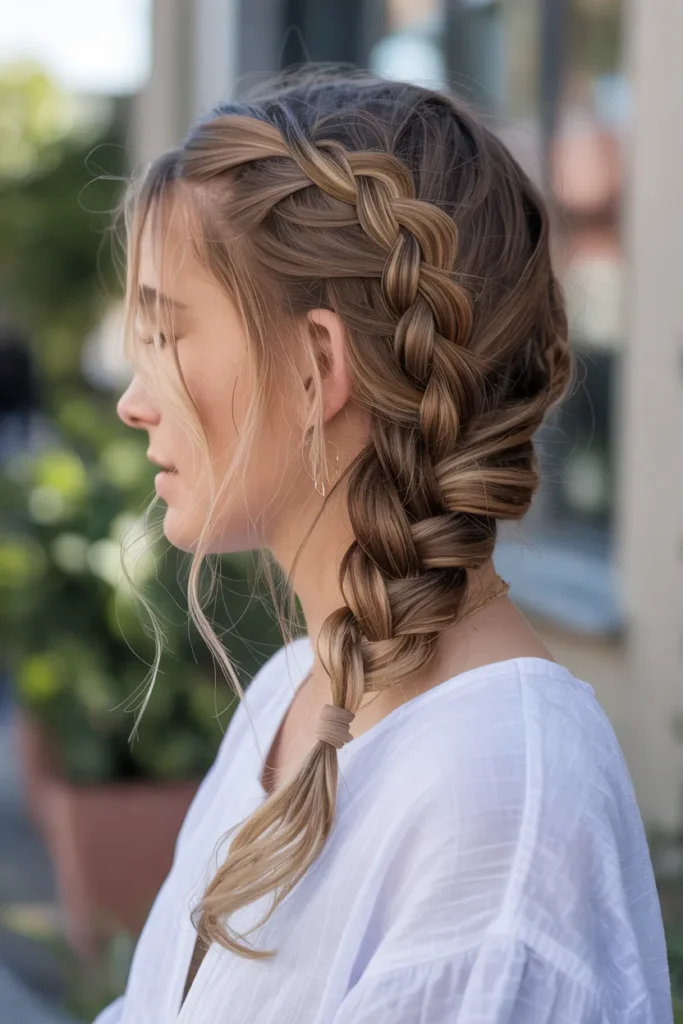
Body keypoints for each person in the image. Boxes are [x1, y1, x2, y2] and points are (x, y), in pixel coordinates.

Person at [99, 70, 671, 1022]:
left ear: (317, 366)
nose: (133, 398)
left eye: (165, 333)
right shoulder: (292, 692)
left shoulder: (498, 811)